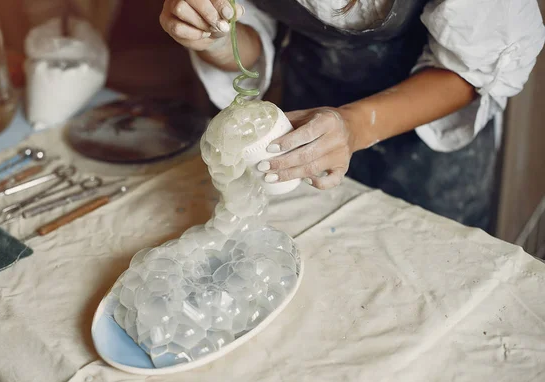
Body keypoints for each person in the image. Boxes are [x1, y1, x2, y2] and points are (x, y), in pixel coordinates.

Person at [159, 0, 545, 233]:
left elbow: (467, 70)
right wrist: (213, 36)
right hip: (308, 117)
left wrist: (354, 126)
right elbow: (251, 39)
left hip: (428, 144)